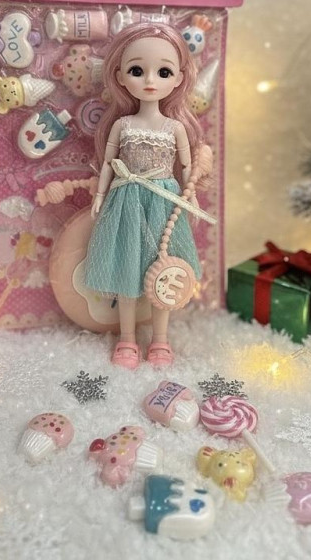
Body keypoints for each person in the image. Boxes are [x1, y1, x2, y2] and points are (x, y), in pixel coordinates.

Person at [84, 23, 211, 368]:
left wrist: (191, 197)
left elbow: (187, 167)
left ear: (179, 78)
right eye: (137, 71)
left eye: (164, 72)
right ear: (120, 77)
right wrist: (100, 194)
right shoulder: (123, 125)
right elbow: (108, 162)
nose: (150, 80)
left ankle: (160, 340)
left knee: (164, 269)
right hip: (126, 200)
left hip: (164, 201)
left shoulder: (175, 127)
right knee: (127, 269)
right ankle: (127, 339)